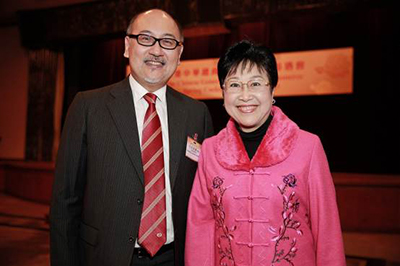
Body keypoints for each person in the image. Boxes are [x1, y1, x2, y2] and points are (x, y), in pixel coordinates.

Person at [50, 9, 213, 266]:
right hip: (104, 257)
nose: (157, 51)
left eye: (168, 42)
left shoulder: (196, 114)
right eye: (146, 38)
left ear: (179, 54)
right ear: (127, 46)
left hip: (175, 258)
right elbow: (64, 203)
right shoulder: (88, 107)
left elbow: (205, 196)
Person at [185, 40, 346, 266]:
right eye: (234, 85)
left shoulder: (308, 147)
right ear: (223, 92)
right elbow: (200, 227)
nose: (245, 95)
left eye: (255, 84)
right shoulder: (211, 150)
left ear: (272, 90)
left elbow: (327, 230)